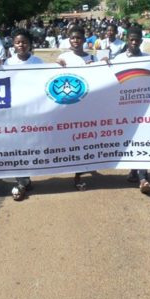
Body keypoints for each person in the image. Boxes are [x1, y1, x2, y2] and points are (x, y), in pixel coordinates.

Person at [111, 25, 150, 194]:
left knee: (142, 138)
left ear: (141, 41)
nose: (134, 42)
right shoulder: (119, 58)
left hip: (143, 106)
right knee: (130, 138)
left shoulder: (148, 58)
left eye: (137, 40)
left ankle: (143, 176)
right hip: (124, 106)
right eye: (131, 40)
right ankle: (133, 170)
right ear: (127, 40)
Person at [1, 28, 44, 200]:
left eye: (24, 42)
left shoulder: (38, 62)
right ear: (13, 44)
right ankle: (21, 180)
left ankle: (25, 179)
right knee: (17, 145)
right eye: (18, 42)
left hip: (33, 111)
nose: (21, 45)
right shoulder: (7, 63)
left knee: (30, 145)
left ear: (30, 44)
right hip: (14, 112)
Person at [58, 25, 97, 191]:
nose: (75, 41)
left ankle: (78, 175)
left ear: (84, 40)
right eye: (73, 38)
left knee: (82, 140)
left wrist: (99, 65)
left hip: (86, 106)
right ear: (69, 39)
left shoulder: (92, 58)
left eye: (78, 38)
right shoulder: (63, 57)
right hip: (67, 107)